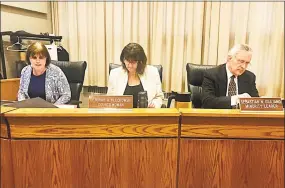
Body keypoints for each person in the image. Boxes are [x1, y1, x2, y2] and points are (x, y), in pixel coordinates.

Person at [202, 44, 259, 109]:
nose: (244, 66)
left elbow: (255, 102)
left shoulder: (249, 77)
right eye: (241, 61)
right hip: (217, 116)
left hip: (240, 117)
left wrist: (263, 102)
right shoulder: (212, 74)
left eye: (247, 63)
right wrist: (235, 100)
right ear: (229, 58)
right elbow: (207, 102)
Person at [107, 43, 164, 108]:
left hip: (146, 114)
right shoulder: (115, 74)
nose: (130, 65)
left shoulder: (152, 72)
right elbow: (110, 100)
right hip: (122, 115)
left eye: (133, 62)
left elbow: (159, 97)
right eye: (127, 61)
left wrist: (154, 105)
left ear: (141, 62)